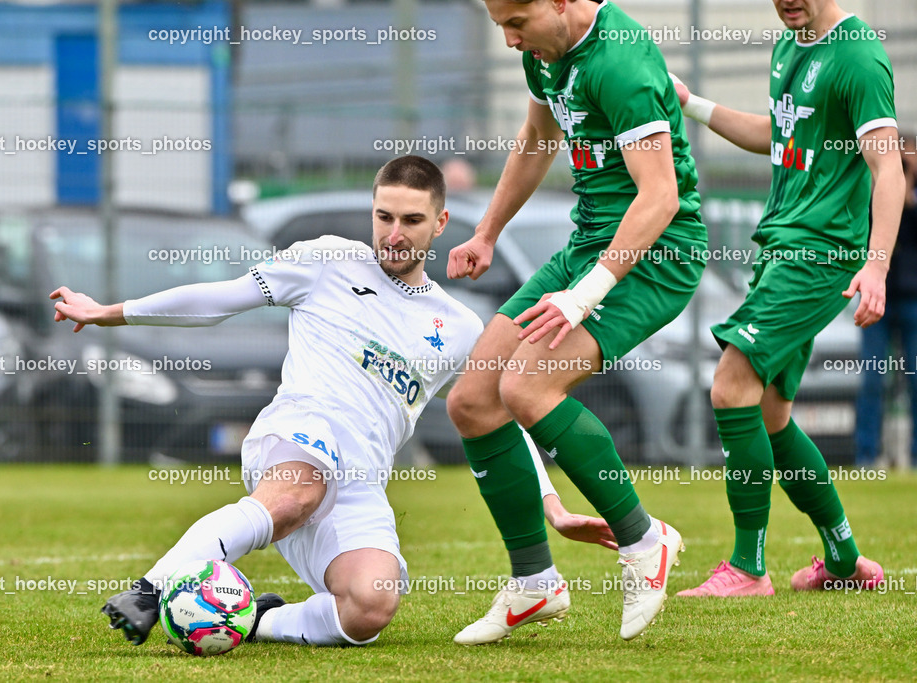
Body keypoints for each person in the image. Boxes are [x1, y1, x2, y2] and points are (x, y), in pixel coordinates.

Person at [51, 156, 615, 648]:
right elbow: (221, 298)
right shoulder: (327, 262)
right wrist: (110, 312)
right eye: (384, 217)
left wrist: (552, 506)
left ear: (440, 224)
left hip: (361, 479)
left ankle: (254, 622)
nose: (394, 234)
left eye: (412, 221)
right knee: (298, 492)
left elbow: (494, 419)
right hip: (295, 435)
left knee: (370, 607)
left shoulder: (460, 325)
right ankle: (150, 590)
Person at [445, 0, 708, 642]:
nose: (509, 41)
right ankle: (535, 583)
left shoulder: (619, 62)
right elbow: (537, 143)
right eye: (499, 27)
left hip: (655, 254)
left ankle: (646, 543)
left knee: (527, 388)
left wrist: (583, 295)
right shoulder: (546, 53)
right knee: (474, 401)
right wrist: (486, 232)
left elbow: (661, 196)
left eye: (516, 23)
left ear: (560, 2)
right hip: (588, 244)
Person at [673, 0, 903, 597]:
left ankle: (748, 569)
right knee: (771, 414)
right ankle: (845, 560)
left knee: (730, 385)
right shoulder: (791, 43)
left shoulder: (858, 55)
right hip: (782, 247)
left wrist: (876, 265)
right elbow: (775, 137)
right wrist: (692, 103)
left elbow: (888, 167)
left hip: (820, 252)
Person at [855, 137, 917, 468]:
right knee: (871, 377)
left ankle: (914, 456)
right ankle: (865, 454)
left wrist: (907, 197)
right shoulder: (873, 191)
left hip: (912, 299)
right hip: (878, 297)